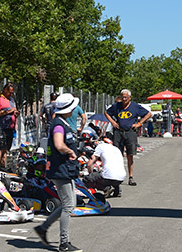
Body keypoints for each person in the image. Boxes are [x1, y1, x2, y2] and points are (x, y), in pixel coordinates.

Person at [34, 93, 82, 252]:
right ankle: (64, 244)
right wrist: (70, 152)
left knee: (68, 204)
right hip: (60, 170)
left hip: (63, 169)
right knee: (68, 206)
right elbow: (59, 144)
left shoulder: (60, 122)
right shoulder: (59, 125)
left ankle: (43, 228)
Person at [105, 89, 152, 186]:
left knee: (130, 154)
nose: (124, 99)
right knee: (117, 154)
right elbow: (107, 112)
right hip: (118, 132)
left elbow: (148, 114)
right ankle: (116, 177)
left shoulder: (135, 106)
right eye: (122, 97)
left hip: (130, 132)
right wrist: (113, 122)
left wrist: (139, 123)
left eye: (126, 97)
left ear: (130, 98)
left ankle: (131, 176)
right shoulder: (116, 106)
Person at [83, 133, 126, 198]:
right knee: (111, 175)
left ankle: (106, 188)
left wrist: (91, 174)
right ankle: (117, 190)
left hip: (108, 176)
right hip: (121, 177)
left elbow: (90, 164)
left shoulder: (100, 147)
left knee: (87, 179)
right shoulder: (116, 149)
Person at [0, 82, 19, 169]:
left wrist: (16, 113)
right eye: (9, 92)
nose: (11, 94)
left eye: (12, 93)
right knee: (0, 148)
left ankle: (3, 167)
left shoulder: (11, 100)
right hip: (0, 127)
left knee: (6, 149)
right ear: (5, 90)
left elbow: (14, 110)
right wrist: (7, 112)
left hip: (10, 127)